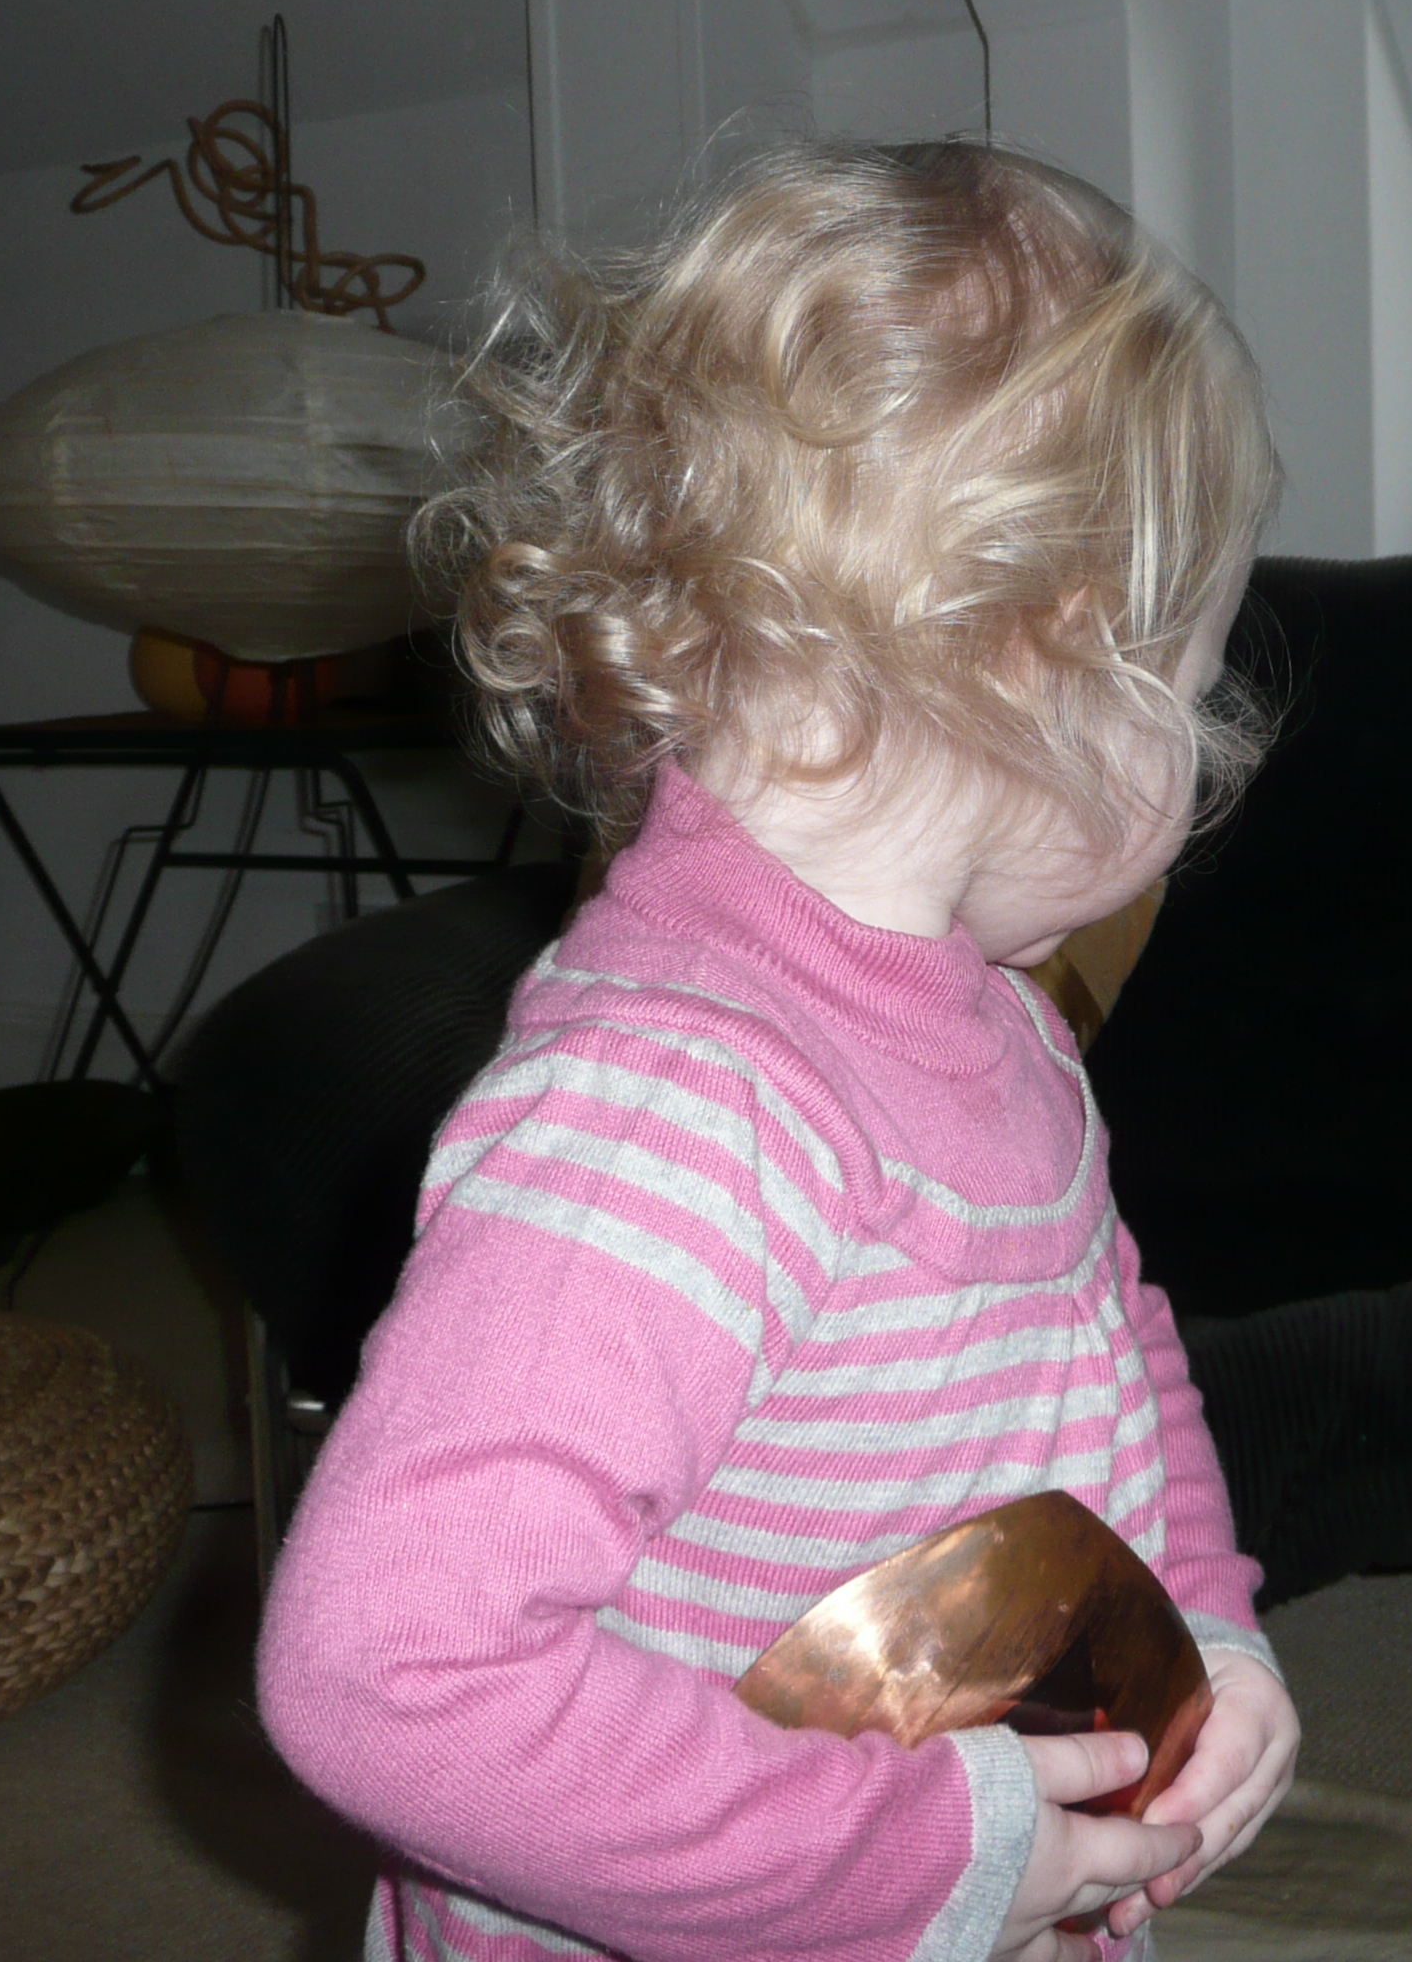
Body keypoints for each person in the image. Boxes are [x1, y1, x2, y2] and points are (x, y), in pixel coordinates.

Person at [258, 138, 1300, 1962]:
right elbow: (390, 1674)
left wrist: (1205, 1624)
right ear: (1046, 651)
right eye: (1196, 682)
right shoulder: (676, 1112)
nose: (1203, 748)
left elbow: (1111, 1338)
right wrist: (919, 1856)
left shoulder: (995, 1023)